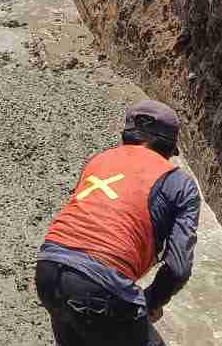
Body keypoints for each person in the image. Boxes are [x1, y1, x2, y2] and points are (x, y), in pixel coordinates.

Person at [35, 100, 200, 346]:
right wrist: (151, 302)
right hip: (99, 283)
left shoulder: (98, 161)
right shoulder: (180, 184)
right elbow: (178, 268)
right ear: (168, 148)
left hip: (48, 270)